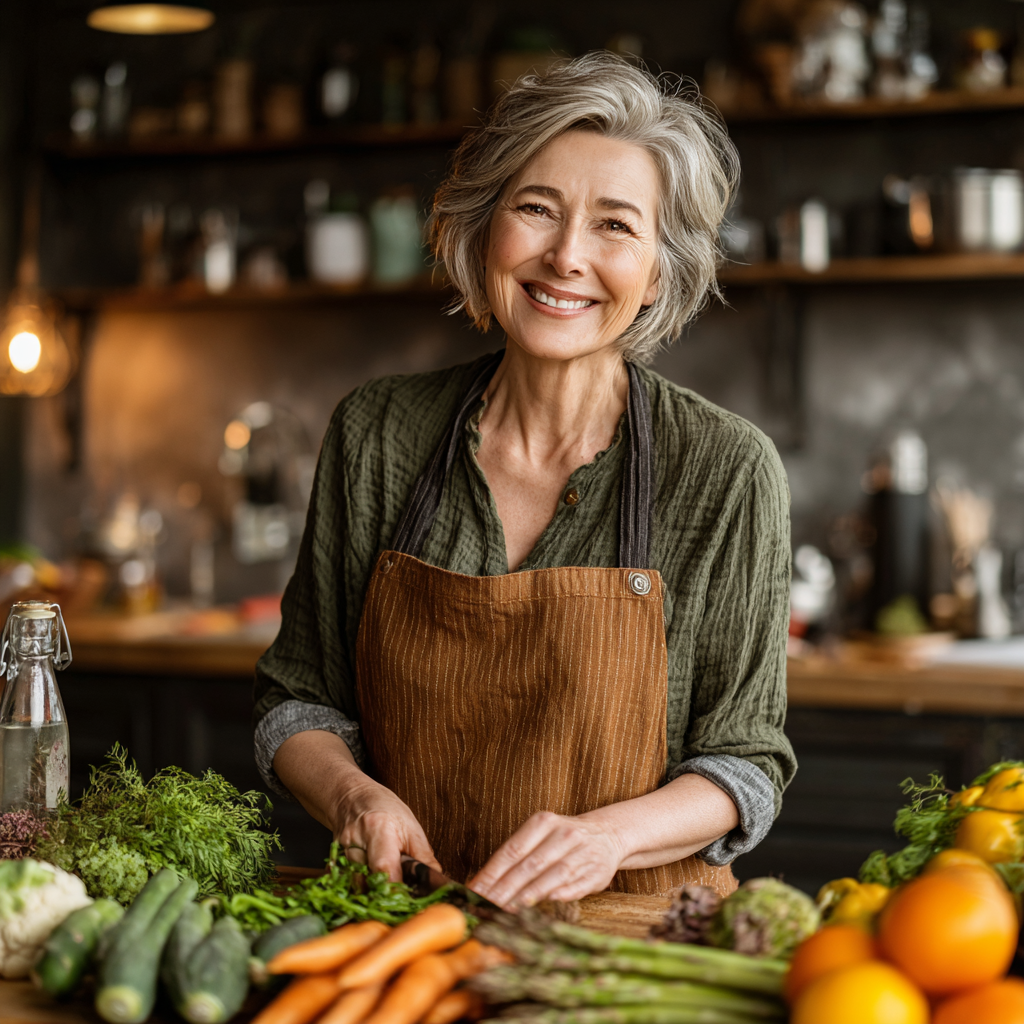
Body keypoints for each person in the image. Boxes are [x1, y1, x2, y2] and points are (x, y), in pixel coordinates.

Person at [254, 52, 795, 911]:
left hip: (636, 945)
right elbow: (298, 700)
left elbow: (745, 764)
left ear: (659, 270)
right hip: (407, 925)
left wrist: (607, 838)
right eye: (537, 209)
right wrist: (355, 797)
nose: (567, 256)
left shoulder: (725, 468)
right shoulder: (379, 433)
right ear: (483, 229)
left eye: (616, 225)